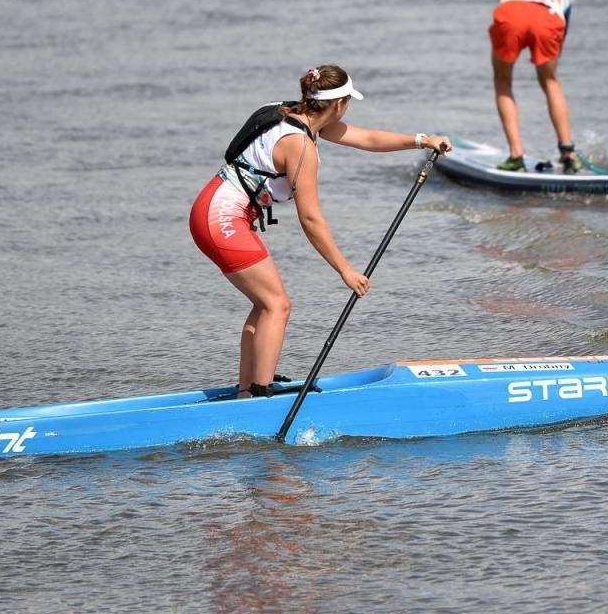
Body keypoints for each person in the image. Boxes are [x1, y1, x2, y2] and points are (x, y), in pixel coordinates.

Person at [189, 65, 451, 399]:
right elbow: (310, 219)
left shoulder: (290, 112)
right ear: (338, 104)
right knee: (277, 304)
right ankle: (260, 393)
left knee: (264, 304)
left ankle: (247, 390)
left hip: (210, 210)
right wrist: (345, 269)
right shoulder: (300, 146)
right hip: (222, 219)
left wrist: (422, 141)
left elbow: (366, 138)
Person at [488, 0, 584, 173]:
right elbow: (563, 23)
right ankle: (568, 152)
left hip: (513, 12)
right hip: (549, 19)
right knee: (551, 81)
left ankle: (516, 155)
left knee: (503, 80)